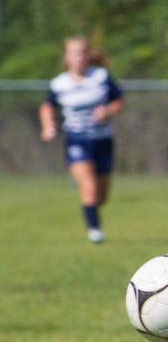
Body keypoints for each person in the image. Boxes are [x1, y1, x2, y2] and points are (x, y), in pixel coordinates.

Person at [39, 36, 125, 244]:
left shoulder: (101, 76)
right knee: (89, 186)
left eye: (82, 53)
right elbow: (47, 106)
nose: (79, 57)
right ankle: (94, 231)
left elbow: (118, 101)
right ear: (67, 57)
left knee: (101, 197)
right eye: (74, 53)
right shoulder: (60, 83)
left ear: (88, 55)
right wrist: (48, 125)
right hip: (76, 139)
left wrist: (107, 111)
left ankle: (92, 212)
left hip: (102, 140)